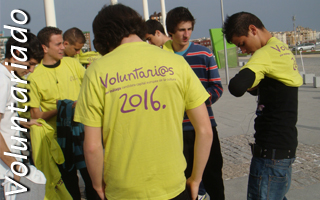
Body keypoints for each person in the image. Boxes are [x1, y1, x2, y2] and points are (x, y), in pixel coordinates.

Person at [74, 4, 213, 200]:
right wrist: (196, 179)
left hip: (123, 189)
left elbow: (92, 146)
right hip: (173, 184)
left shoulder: (97, 71)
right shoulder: (176, 63)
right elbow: (205, 130)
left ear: (103, 36)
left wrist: (97, 185)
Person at [222, 12, 303, 200]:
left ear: (252, 30)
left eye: (241, 43)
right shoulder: (281, 48)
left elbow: (236, 86)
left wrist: (249, 81)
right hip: (284, 149)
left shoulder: (264, 54)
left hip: (270, 154)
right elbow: (271, 88)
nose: (242, 50)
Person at [25, 27, 98, 200]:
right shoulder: (34, 76)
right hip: (57, 142)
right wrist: (62, 109)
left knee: (92, 180)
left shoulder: (73, 64)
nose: (62, 48)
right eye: (57, 44)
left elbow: (91, 89)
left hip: (83, 135)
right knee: (69, 185)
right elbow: (35, 114)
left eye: (62, 44)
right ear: (45, 48)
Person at [163, 6, 224, 200]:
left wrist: (194, 103)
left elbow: (217, 88)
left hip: (205, 126)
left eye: (189, 29)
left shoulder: (204, 54)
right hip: (175, 130)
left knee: (213, 176)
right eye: (181, 30)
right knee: (182, 179)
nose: (186, 34)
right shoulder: (161, 57)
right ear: (170, 31)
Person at [0, 32, 43, 199]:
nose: (31, 71)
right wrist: (15, 167)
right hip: (5, 174)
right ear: (17, 54)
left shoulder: (7, 78)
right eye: (29, 64)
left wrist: (23, 122)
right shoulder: (2, 80)